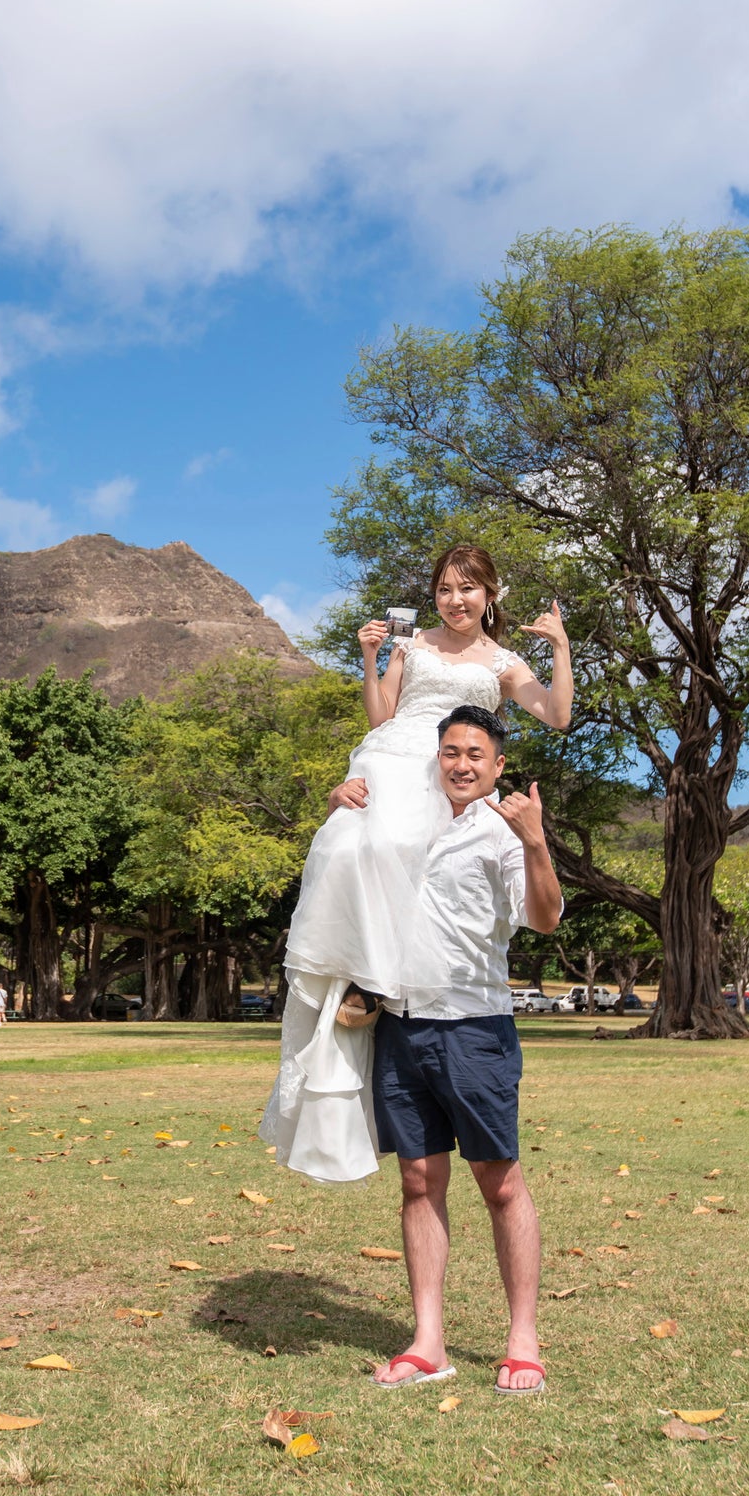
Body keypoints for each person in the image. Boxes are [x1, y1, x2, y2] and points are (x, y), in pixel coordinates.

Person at [260, 545, 571, 1185]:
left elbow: (557, 715)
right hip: (398, 755)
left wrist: (560, 649)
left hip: (453, 769)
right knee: (352, 846)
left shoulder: (503, 662)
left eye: (468, 589)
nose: (456, 601)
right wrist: (370, 658)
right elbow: (383, 716)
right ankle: (357, 974)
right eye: (445, 590)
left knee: (421, 867)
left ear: (490, 595)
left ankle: (388, 977)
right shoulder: (412, 644)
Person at [365, 704, 562, 1393]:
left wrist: (536, 843)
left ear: (498, 764)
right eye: (451, 751)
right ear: (436, 757)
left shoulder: (505, 834)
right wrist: (340, 797)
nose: (461, 764)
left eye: (476, 753)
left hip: (474, 1026)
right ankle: (427, 1342)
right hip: (401, 1024)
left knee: (499, 1180)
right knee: (418, 1180)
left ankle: (523, 1340)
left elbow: (544, 918)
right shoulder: (405, 819)